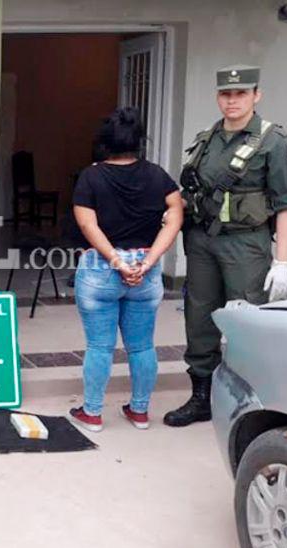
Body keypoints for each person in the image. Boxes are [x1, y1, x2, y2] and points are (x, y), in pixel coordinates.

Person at [164, 65, 287, 427]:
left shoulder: (273, 141)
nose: (232, 101)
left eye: (241, 93)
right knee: (200, 318)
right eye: (226, 94)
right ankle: (201, 397)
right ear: (217, 97)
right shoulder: (206, 139)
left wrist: (282, 261)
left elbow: (285, 203)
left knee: (245, 323)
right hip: (203, 241)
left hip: (246, 244)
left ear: (257, 95)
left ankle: (253, 407)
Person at [69, 107, 184, 432]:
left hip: (99, 270)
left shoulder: (90, 177)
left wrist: (117, 262)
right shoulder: (158, 176)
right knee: (143, 345)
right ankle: (140, 411)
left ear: (105, 141)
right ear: (138, 141)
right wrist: (146, 263)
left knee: (100, 346)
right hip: (144, 270)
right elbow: (175, 217)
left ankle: (92, 413)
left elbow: (87, 225)